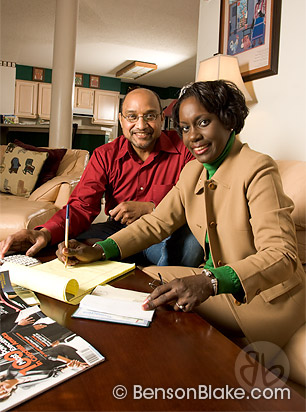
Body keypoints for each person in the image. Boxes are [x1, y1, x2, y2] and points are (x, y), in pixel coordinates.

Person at [57, 80, 305, 385]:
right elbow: (156, 223)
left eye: (203, 122)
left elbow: (282, 255)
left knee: (157, 309)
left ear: (228, 119)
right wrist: (100, 249)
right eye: (185, 128)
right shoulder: (194, 171)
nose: (193, 137)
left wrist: (210, 280)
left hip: (265, 299)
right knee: (145, 278)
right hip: (216, 284)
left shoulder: (258, 169)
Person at [0, 88, 203, 267]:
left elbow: (198, 201)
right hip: (117, 229)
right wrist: (44, 233)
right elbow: (81, 206)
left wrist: (152, 208)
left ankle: (157, 279)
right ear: (121, 119)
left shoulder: (185, 149)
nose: (141, 125)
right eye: (132, 117)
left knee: (191, 248)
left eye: (149, 116)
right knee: (68, 246)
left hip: (166, 232)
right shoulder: (104, 155)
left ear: (161, 119)